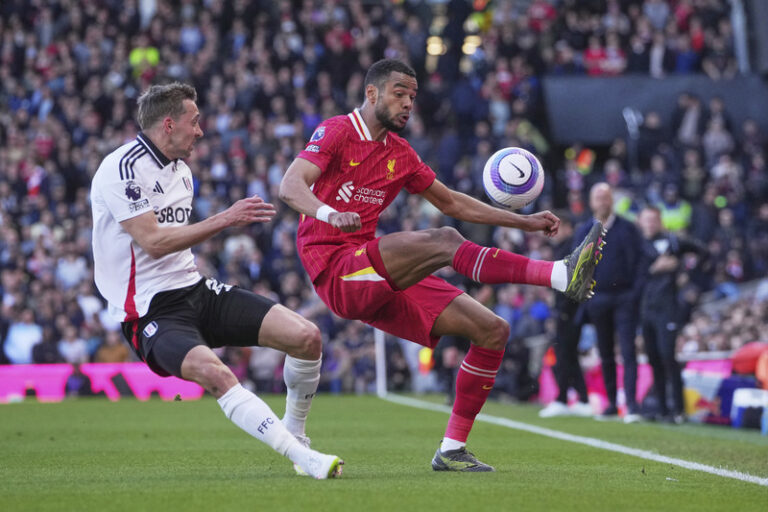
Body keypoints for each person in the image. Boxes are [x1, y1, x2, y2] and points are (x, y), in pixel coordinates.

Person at [279, 59, 605, 472]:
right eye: (400, 93)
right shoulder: (338, 131)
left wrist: (523, 221)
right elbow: (290, 185)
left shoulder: (400, 154)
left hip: (376, 272)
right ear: (372, 93)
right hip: (337, 269)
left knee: (492, 331)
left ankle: (451, 449)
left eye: (413, 97)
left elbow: (451, 202)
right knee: (445, 240)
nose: (408, 103)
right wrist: (328, 214)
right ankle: (559, 274)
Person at [90, 82, 342, 479]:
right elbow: (153, 242)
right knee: (217, 372)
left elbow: (175, 243)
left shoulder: (183, 173)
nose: (201, 131)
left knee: (307, 337)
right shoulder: (122, 168)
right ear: (169, 124)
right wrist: (227, 218)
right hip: (149, 311)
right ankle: (304, 457)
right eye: (195, 122)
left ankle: (296, 434)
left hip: (195, 290)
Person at [577, 183, 647, 423]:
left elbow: (641, 261)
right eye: (598, 197)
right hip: (598, 298)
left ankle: (632, 405)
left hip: (625, 297)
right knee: (605, 352)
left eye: (606, 197)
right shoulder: (585, 229)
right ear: (591, 202)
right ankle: (610, 404)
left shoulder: (628, 228)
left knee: (628, 351)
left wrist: (635, 293)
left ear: (612, 201)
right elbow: (577, 265)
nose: (603, 201)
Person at [637, 206, 706, 423]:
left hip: (667, 308)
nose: (649, 224)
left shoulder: (674, 242)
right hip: (646, 308)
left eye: (652, 220)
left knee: (668, 356)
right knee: (654, 359)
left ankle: (678, 409)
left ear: (660, 221)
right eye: (645, 220)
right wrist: (654, 269)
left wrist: (687, 274)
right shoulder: (637, 245)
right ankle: (662, 408)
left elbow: (704, 252)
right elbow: (632, 275)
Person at [539, 217, 592, 418]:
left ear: (569, 227)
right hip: (565, 309)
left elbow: (569, 282)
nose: (552, 233)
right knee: (568, 355)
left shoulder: (571, 249)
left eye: (556, 228)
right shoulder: (564, 247)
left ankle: (563, 398)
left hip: (569, 309)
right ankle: (582, 398)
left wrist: (560, 307)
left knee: (564, 355)